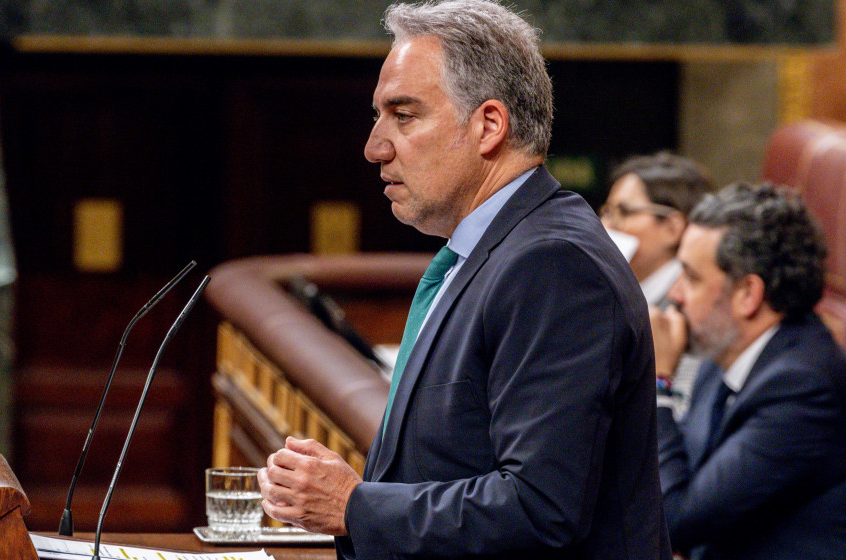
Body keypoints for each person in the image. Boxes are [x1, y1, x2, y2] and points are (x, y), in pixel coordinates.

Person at [256, 1, 671, 559]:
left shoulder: (554, 265)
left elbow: (540, 508)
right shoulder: (493, 251)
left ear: (489, 126)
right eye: (378, 117)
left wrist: (354, 507)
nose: (375, 147)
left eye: (403, 116)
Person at [650, 182, 846, 559]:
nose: (675, 294)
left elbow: (673, 519)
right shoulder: (728, 356)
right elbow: (683, 491)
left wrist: (658, 381)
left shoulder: (805, 388)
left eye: (692, 278)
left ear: (747, 294)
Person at [601, 152, 712, 417]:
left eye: (623, 212)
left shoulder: (693, 309)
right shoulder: (609, 292)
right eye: (606, 212)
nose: (605, 225)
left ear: (673, 228)